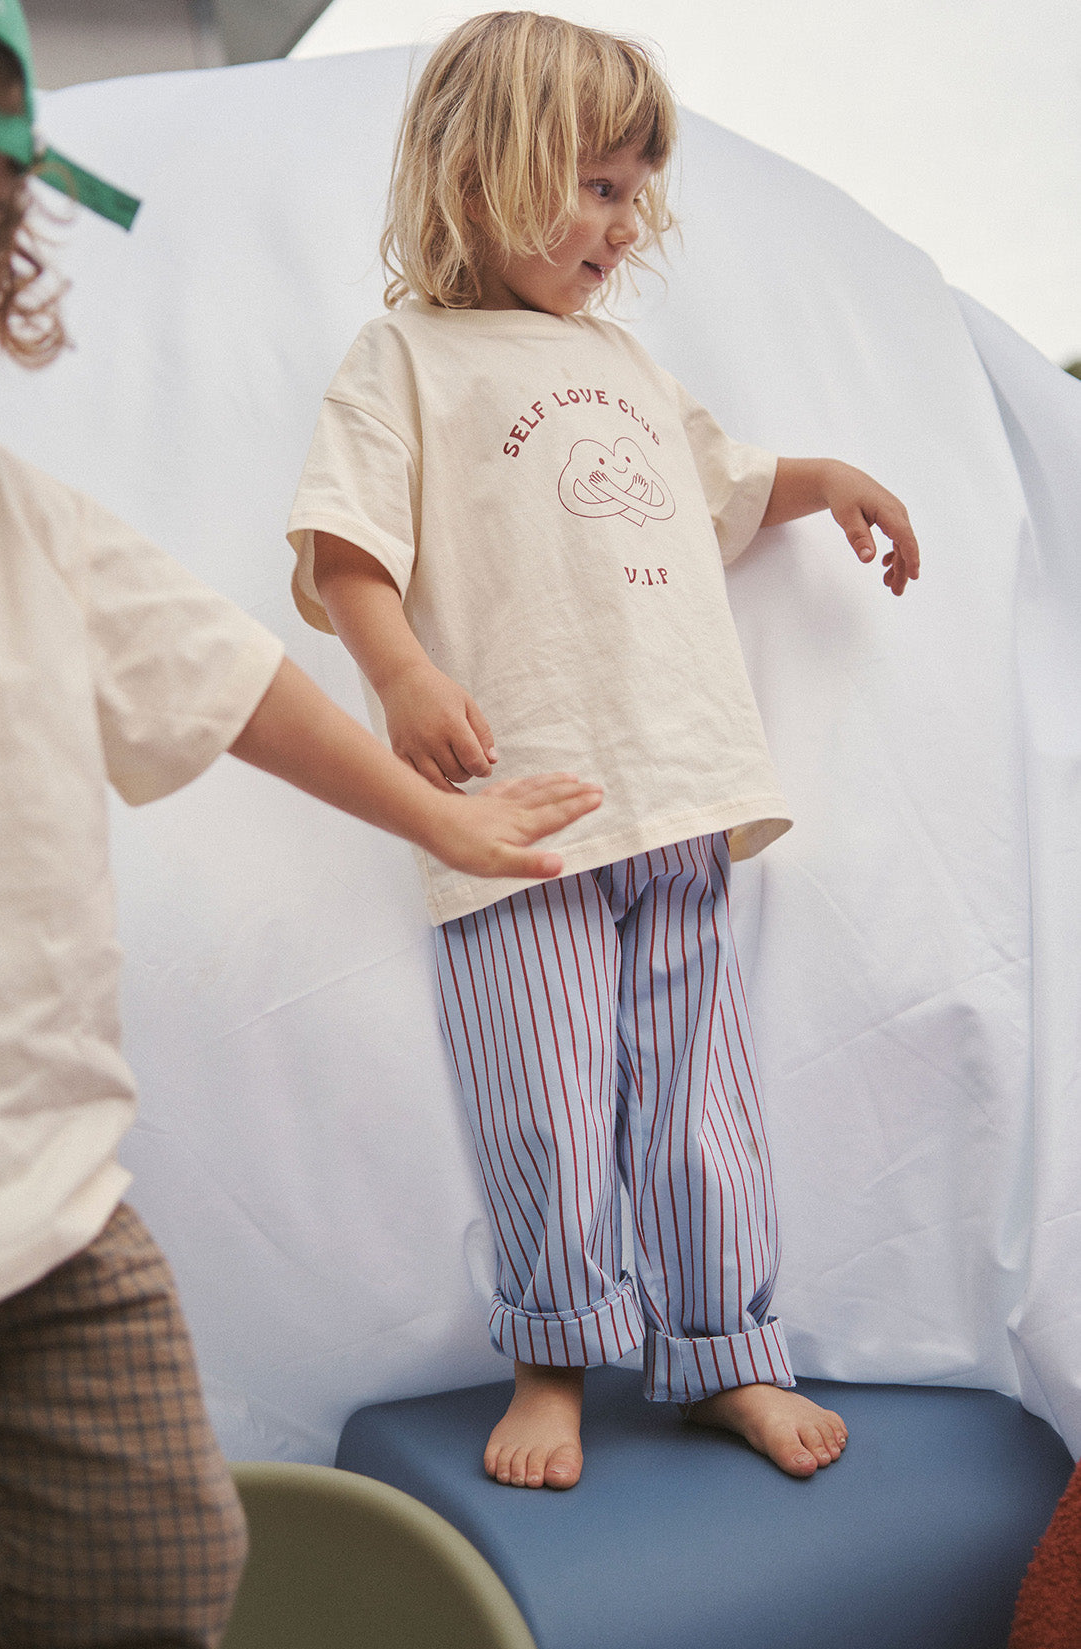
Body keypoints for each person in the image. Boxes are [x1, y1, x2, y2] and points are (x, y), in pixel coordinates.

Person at [0, 8, 602, 1649]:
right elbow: (334, 564)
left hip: (39, 1228)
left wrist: (443, 809)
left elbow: (239, 682)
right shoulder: (395, 373)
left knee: (161, 1577)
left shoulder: (21, 526)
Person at [288, 9, 920, 1493]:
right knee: (551, 1107)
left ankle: (726, 1351)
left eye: (635, 190)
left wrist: (833, 482)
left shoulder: (629, 363)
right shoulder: (407, 358)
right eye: (595, 185)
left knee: (704, 1095)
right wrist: (400, 676)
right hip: (518, 810)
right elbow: (342, 546)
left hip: (684, 791)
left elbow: (728, 490)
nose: (622, 223)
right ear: (475, 178)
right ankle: (554, 1359)